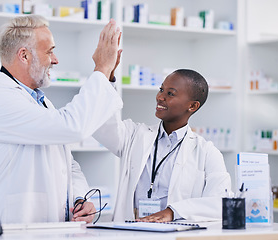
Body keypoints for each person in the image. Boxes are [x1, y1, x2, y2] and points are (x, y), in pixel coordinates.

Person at [0, 15, 123, 224]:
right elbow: (73, 127)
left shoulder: (39, 101)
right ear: (24, 56)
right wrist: (101, 70)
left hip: (51, 229)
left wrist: (79, 198)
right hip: (16, 230)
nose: (55, 60)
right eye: (50, 51)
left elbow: (67, 164)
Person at [93, 69, 232, 222]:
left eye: (170, 94)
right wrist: (107, 78)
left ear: (192, 106)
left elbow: (221, 202)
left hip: (176, 234)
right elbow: (101, 126)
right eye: (161, 90)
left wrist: (173, 212)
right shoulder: (135, 135)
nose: (160, 97)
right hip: (131, 230)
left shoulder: (207, 152)